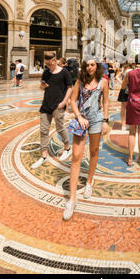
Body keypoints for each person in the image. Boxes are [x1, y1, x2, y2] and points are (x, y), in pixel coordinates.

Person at [63, 58, 109, 221]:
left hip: (97, 119)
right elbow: (73, 101)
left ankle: (89, 181)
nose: (89, 67)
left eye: (92, 64)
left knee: (94, 151)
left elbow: (106, 102)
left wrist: (105, 120)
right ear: (84, 67)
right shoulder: (80, 81)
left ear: (96, 67)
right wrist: (79, 117)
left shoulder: (103, 82)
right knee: (76, 157)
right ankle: (71, 200)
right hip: (81, 120)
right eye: (87, 65)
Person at [31, 53, 73, 170]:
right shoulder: (46, 72)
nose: (48, 66)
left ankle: (67, 148)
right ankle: (44, 156)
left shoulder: (64, 72)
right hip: (46, 105)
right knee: (43, 131)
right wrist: (42, 86)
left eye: (50, 63)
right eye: (46, 64)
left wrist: (64, 102)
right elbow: (41, 87)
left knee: (60, 128)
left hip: (58, 105)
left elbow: (70, 87)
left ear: (55, 60)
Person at [122, 55, 140, 166]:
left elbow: (123, 86)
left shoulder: (129, 73)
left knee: (131, 132)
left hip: (132, 102)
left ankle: (130, 159)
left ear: (134, 62)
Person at [116, 62, 133, 130]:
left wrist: (122, 83)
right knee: (130, 108)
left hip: (123, 90)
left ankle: (123, 124)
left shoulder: (125, 71)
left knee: (123, 108)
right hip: (130, 90)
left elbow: (117, 77)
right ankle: (128, 123)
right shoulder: (131, 71)